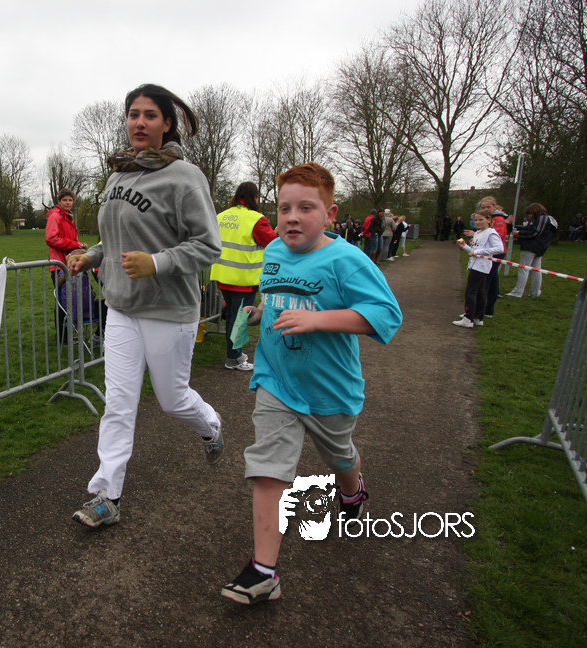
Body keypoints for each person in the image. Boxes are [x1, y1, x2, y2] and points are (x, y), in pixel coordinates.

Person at [220, 163, 402, 604]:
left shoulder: (346, 260)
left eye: (306, 208)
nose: (292, 218)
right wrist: (259, 313)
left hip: (329, 390)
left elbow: (386, 315)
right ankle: (264, 573)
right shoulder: (274, 251)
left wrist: (318, 320)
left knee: (339, 455)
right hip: (277, 381)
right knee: (268, 467)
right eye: (284, 208)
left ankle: (353, 491)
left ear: (330, 213)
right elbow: (276, 296)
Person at [66, 84, 223, 528]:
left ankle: (210, 425)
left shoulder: (184, 176)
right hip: (121, 308)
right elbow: (116, 240)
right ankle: (106, 495)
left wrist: (156, 263)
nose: (139, 122)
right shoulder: (118, 176)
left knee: (172, 400)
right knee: (118, 404)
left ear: (167, 124)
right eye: (133, 114)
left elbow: (208, 245)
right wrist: (91, 256)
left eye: (150, 115)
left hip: (168, 310)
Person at [210, 181, 277, 371]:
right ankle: (234, 358)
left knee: (233, 316)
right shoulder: (256, 219)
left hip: (223, 276)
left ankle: (234, 354)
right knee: (239, 319)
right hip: (243, 279)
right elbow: (273, 243)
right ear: (254, 197)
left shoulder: (221, 216)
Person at [45, 189, 87, 343]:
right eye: (65, 200)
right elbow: (51, 238)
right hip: (58, 265)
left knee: (70, 299)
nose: (68, 203)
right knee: (62, 301)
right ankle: (62, 336)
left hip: (69, 262)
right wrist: (76, 245)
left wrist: (79, 245)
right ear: (59, 201)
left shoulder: (68, 217)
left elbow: (69, 239)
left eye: (70, 200)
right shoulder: (56, 216)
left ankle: (67, 334)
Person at [453, 210, 504, 329]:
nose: (478, 222)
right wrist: (465, 247)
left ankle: (468, 318)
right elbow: (474, 250)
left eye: (481, 219)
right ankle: (478, 317)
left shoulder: (491, 233)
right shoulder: (478, 233)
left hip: (481, 266)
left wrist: (478, 252)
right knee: (480, 291)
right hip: (475, 264)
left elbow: (499, 248)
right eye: (476, 220)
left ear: (489, 220)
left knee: (471, 291)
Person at [506, 202, 558, 299]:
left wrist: (520, 233)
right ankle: (535, 293)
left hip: (531, 247)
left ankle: (518, 292)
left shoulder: (542, 219)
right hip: (541, 248)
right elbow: (531, 230)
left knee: (523, 269)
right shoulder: (546, 220)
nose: (530, 216)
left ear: (535, 211)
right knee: (536, 270)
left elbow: (535, 233)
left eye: (530, 213)